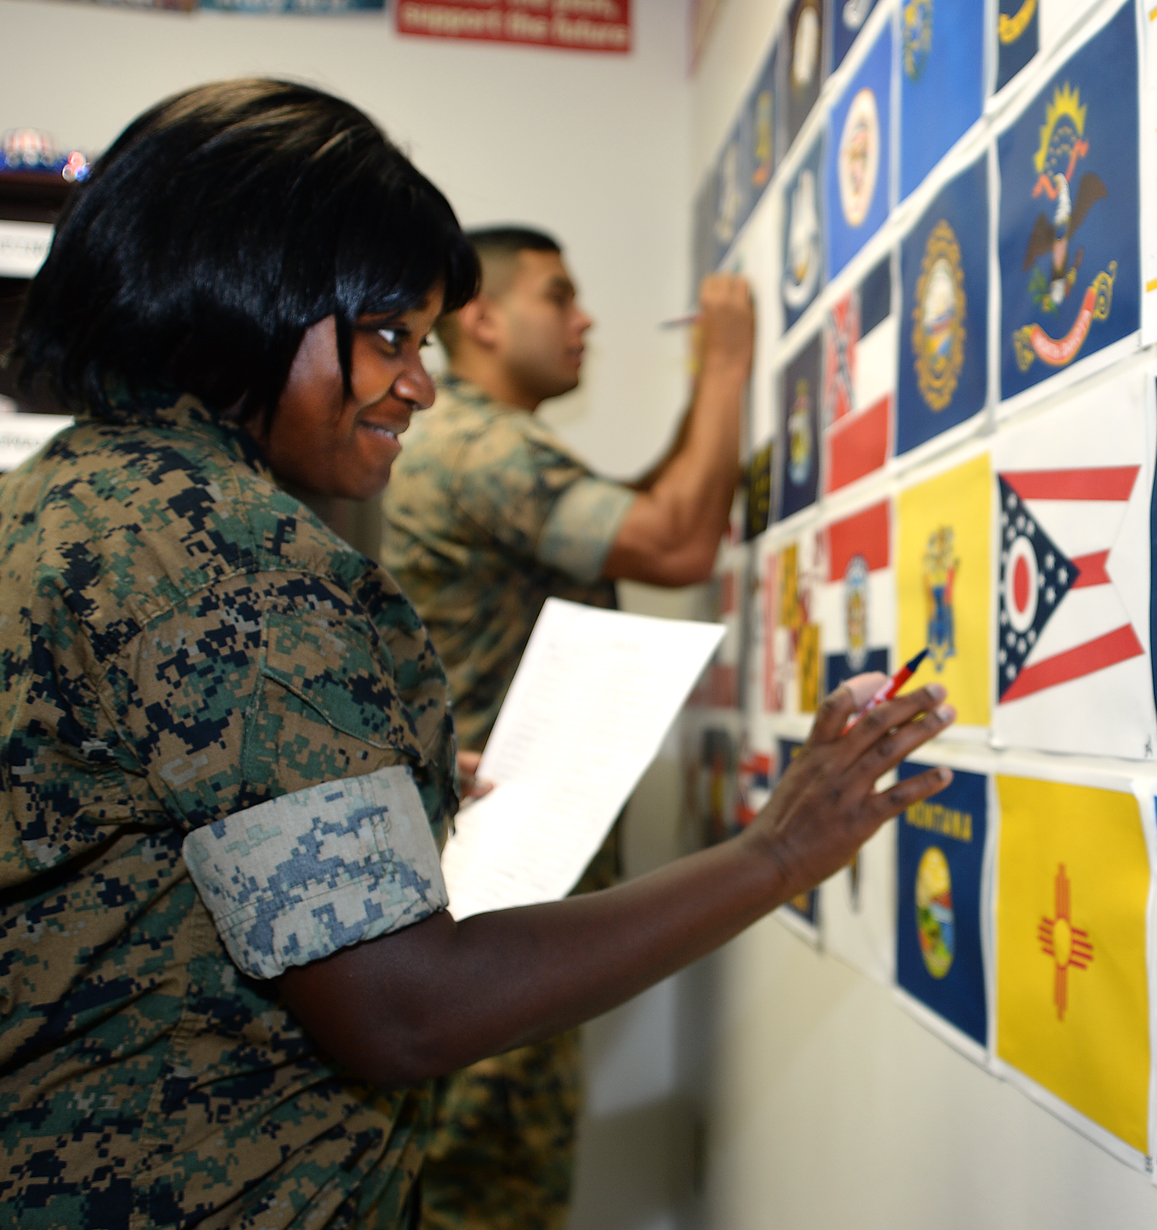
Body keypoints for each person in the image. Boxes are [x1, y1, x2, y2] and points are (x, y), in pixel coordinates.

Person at [0, 79, 956, 1230]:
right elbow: (404, 1014)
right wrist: (781, 850)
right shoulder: (229, 550)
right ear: (247, 302)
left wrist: (371, 787)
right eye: (389, 336)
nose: (420, 382)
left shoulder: (67, 497)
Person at [379, 228, 754, 1230]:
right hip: (494, 896)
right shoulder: (480, 446)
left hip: (487, 893)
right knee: (488, 1190)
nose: (583, 319)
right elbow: (674, 538)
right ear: (484, 319)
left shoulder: (484, 443)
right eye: (559, 295)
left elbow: (637, 507)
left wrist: (704, 403)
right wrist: (726, 365)